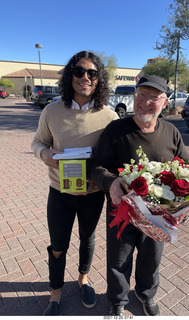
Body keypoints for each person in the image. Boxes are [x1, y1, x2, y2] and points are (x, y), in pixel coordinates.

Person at [91, 75, 189, 316]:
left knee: (151, 258)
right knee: (118, 260)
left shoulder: (171, 132)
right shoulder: (116, 130)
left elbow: (186, 168)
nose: (145, 102)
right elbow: (96, 165)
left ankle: (146, 294)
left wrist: (184, 204)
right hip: (122, 210)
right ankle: (117, 301)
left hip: (158, 214)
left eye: (153, 97)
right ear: (134, 98)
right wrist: (111, 182)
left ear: (164, 102)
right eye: (141, 96)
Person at [31, 51, 118, 316]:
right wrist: (44, 154)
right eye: (79, 71)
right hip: (59, 192)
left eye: (92, 73)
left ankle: (83, 279)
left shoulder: (109, 116)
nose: (85, 77)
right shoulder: (51, 110)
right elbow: (38, 142)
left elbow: (115, 156)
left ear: (98, 79)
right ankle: (55, 291)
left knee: (87, 239)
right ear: (70, 76)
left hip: (93, 194)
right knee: (58, 244)